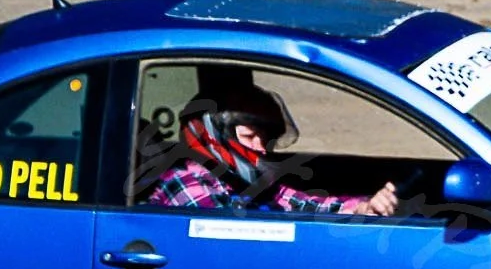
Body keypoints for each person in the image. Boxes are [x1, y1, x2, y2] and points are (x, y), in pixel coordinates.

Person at [147, 82, 399, 216]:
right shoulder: (186, 185)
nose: (261, 149)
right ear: (210, 135)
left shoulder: (244, 184)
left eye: (265, 140)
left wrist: (362, 208)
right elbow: (231, 240)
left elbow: (305, 204)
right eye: (250, 136)